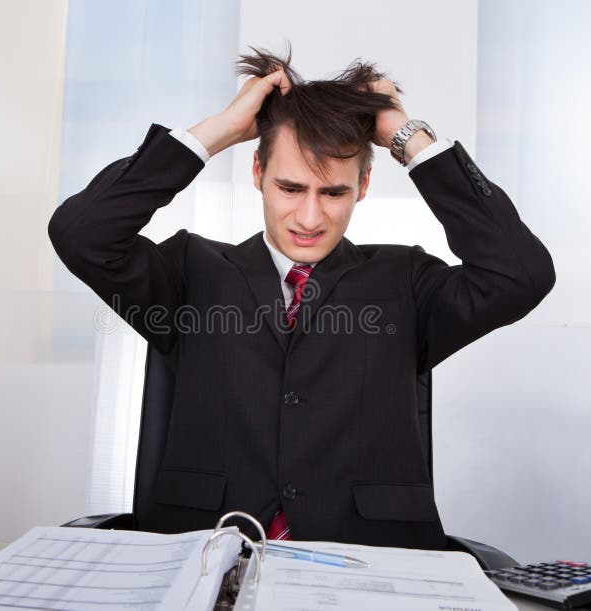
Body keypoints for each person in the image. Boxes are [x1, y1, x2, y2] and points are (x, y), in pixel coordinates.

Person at [48, 48, 555, 550]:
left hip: (369, 564)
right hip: (205, 556)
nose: (310, 218)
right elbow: (81, 234)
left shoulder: (406, 280)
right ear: (257, 175)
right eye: (290, 188)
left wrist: (403, 134)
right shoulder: (189, 271)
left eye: (332, 193)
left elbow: (522, 274)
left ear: (364, 185)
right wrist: (220, 129)